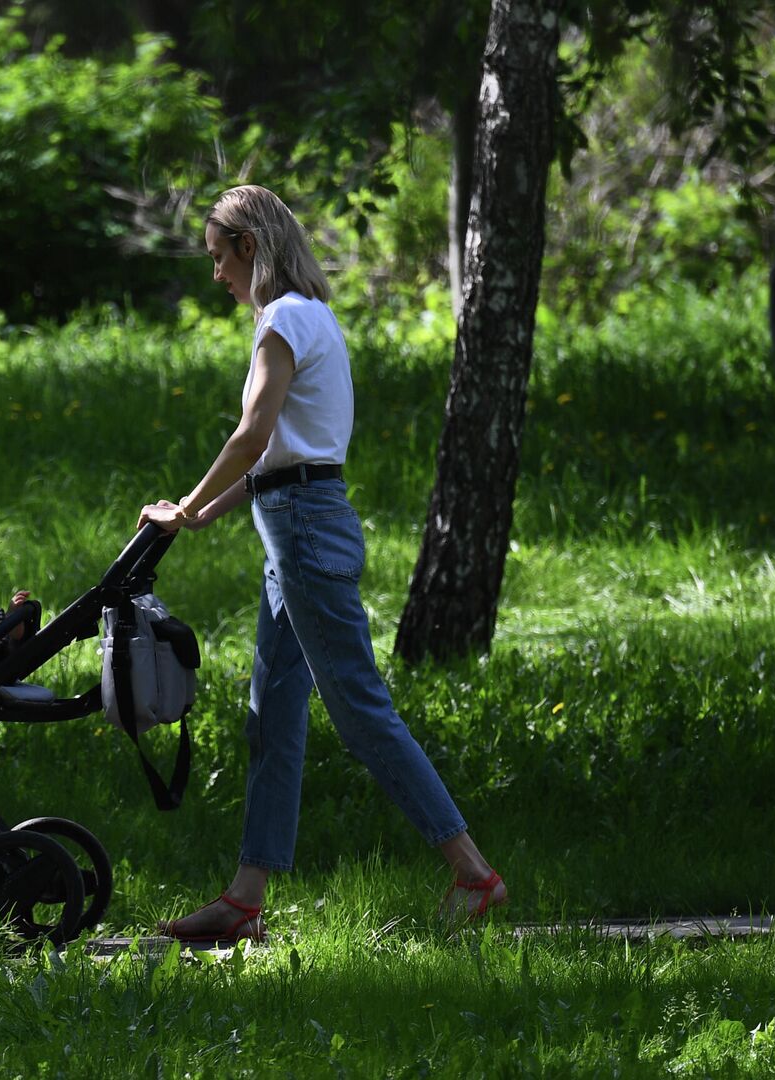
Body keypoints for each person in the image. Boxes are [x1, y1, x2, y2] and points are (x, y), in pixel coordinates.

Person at [138, 184, 506, 943]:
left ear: (250, 246)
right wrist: (205, 509)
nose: (216, 276)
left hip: (304, 532)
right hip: (296, 525)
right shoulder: (315, 318)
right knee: (270, 715)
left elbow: (252, 433)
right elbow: (278, 456)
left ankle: (474, 875)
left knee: (359, 708)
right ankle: (244, 901)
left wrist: (183, 503)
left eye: (219, 257)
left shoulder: (282, 319)